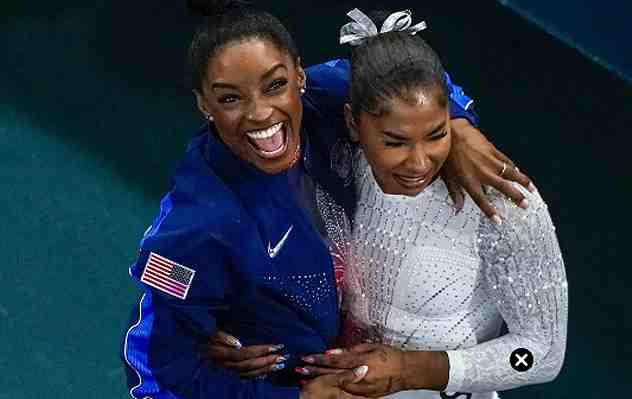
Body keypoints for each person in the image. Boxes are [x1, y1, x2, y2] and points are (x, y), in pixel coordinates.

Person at [122, 1, 535, 398]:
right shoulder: (197, 229)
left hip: (390, 359)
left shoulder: (332, 96)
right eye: (230, 98)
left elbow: (412, 77)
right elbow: (153, 370)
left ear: (300, 76)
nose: (261, 113)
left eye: (275, 85)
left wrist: (460, 125)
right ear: (203, 105)